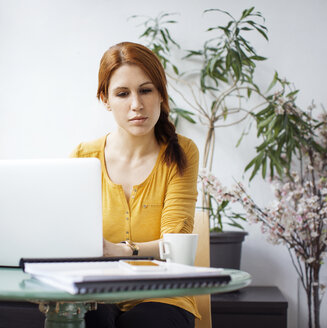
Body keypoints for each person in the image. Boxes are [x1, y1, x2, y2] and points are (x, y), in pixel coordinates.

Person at [71, 41, 200, 328]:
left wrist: (123, 251)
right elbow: (67, 235)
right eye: (122, 93)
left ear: (161, 93)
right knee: (86, 318)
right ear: (105, 99)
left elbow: (176, 244)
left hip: (165, 295)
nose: (136, 105)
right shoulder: (83, 156)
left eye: (146, 90)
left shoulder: (182, 153)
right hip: (98, 290)